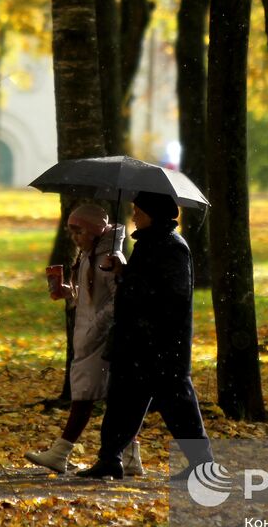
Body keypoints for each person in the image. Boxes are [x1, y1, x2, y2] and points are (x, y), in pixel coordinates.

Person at [79, 191, 213, 480]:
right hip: (138, 341)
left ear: (152, 213)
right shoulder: (150, 244)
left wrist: (133, 282)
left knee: (178, 404)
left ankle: (202, 465)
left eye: (137, 211)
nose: (133, 216)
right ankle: (109, 459)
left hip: (162, 344)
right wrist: (124, 271)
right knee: (123, 399)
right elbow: (145, 282)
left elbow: (171, 295)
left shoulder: (172, 247)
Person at [25, 204, 143, 475]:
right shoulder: (87, 257)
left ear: (94, 231)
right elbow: (91, 298)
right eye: (71, 232)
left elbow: (117, 301)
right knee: (105, 397)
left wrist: (96, 328)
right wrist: (68, 292)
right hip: (87, 337)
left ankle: (60, 452)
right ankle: (131, 454)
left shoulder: (109, 259)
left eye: (79, 231)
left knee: (86, 396)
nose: (75, 237)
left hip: (100, 339)